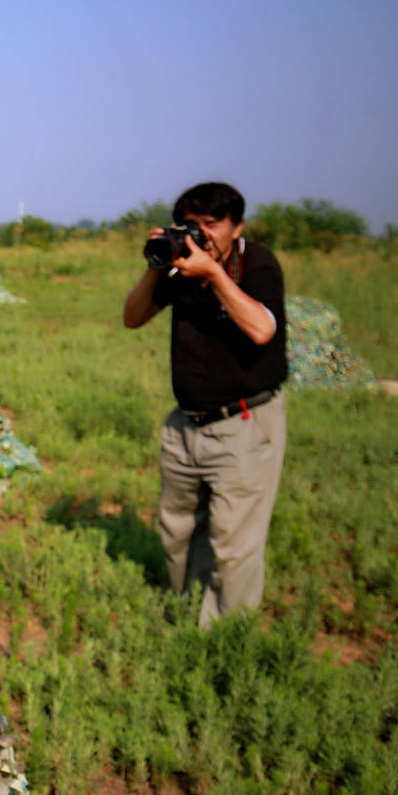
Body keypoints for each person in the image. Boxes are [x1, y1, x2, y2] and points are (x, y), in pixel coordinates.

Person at [122, 182, 288, 628]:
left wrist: (214, 275)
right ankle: (183, 618)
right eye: (191, 225)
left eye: (212, 224)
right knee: (177, 531)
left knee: (233, 545)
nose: (203, 235)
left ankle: (223, 640)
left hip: (244, 424)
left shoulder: (257, 264)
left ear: (237, 227)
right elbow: (132, 317)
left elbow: (262, 329)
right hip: (186, 424)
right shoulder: (182, 267)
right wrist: (158, 264)